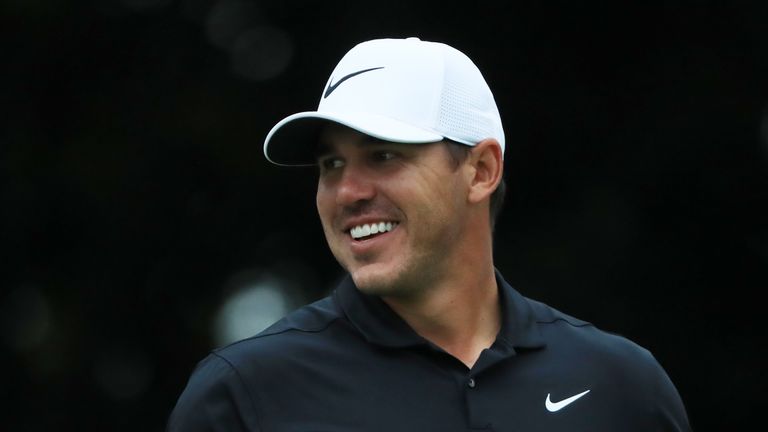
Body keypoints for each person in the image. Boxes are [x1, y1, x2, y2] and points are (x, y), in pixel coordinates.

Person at [167, 37, 691, 431]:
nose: (347, 191)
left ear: (482, 170)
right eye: (331, 163)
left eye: (384, 155)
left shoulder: (622, 386)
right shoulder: (244, 396)